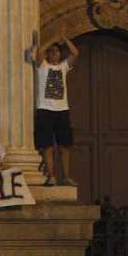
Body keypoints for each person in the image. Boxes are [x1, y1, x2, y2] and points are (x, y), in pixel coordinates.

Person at [30, 32, 80, 186]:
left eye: (56, 51)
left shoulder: (63, 67)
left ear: (59, 54)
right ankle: (51, 175)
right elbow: (38, 53)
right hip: (45, 109)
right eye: (51, 51)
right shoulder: (42, 66)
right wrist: (51, 39)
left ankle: (66, 176)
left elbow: (75, 53)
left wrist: (64, 38)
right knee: (47, 146)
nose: (54, 53)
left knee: (64, 146)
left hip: (62, 110)